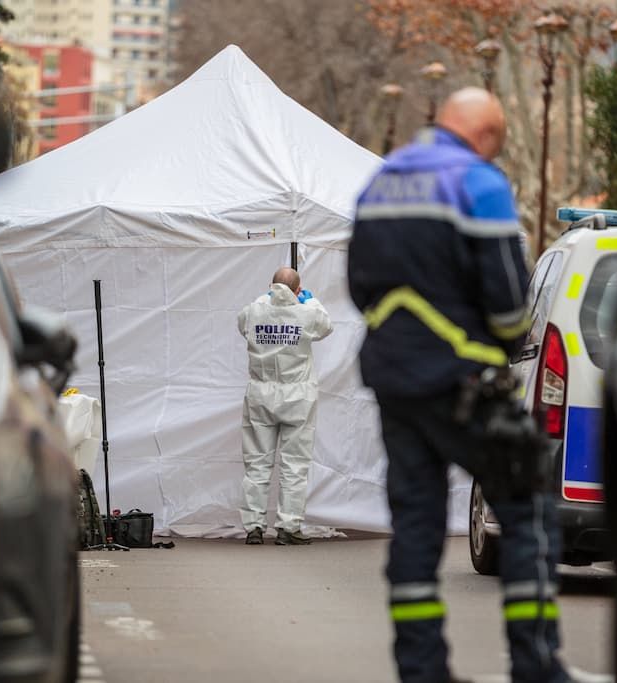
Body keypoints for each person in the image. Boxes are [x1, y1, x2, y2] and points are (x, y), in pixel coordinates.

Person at [348, 88, 570, 683]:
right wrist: (500, 346)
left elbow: (358, 285)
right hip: (464, 381)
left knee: (416, 525)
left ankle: (421, 670)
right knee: (527, 510)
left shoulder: (381, 180)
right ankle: (536, 664)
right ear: (487, 137)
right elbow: (506, 297)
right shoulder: (479, 182)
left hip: (394, 382)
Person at [237, 266, 333, 546]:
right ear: (298, 289)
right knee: (295, 465)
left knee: (257, 463)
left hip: (261, 394)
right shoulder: (307, 313)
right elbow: (326, 325)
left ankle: (253, 527)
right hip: (297, 397)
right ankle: (288, 527)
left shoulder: (255, 310)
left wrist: (265, 300)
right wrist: (309, 300)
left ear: (271, 286)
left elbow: (242, 323)